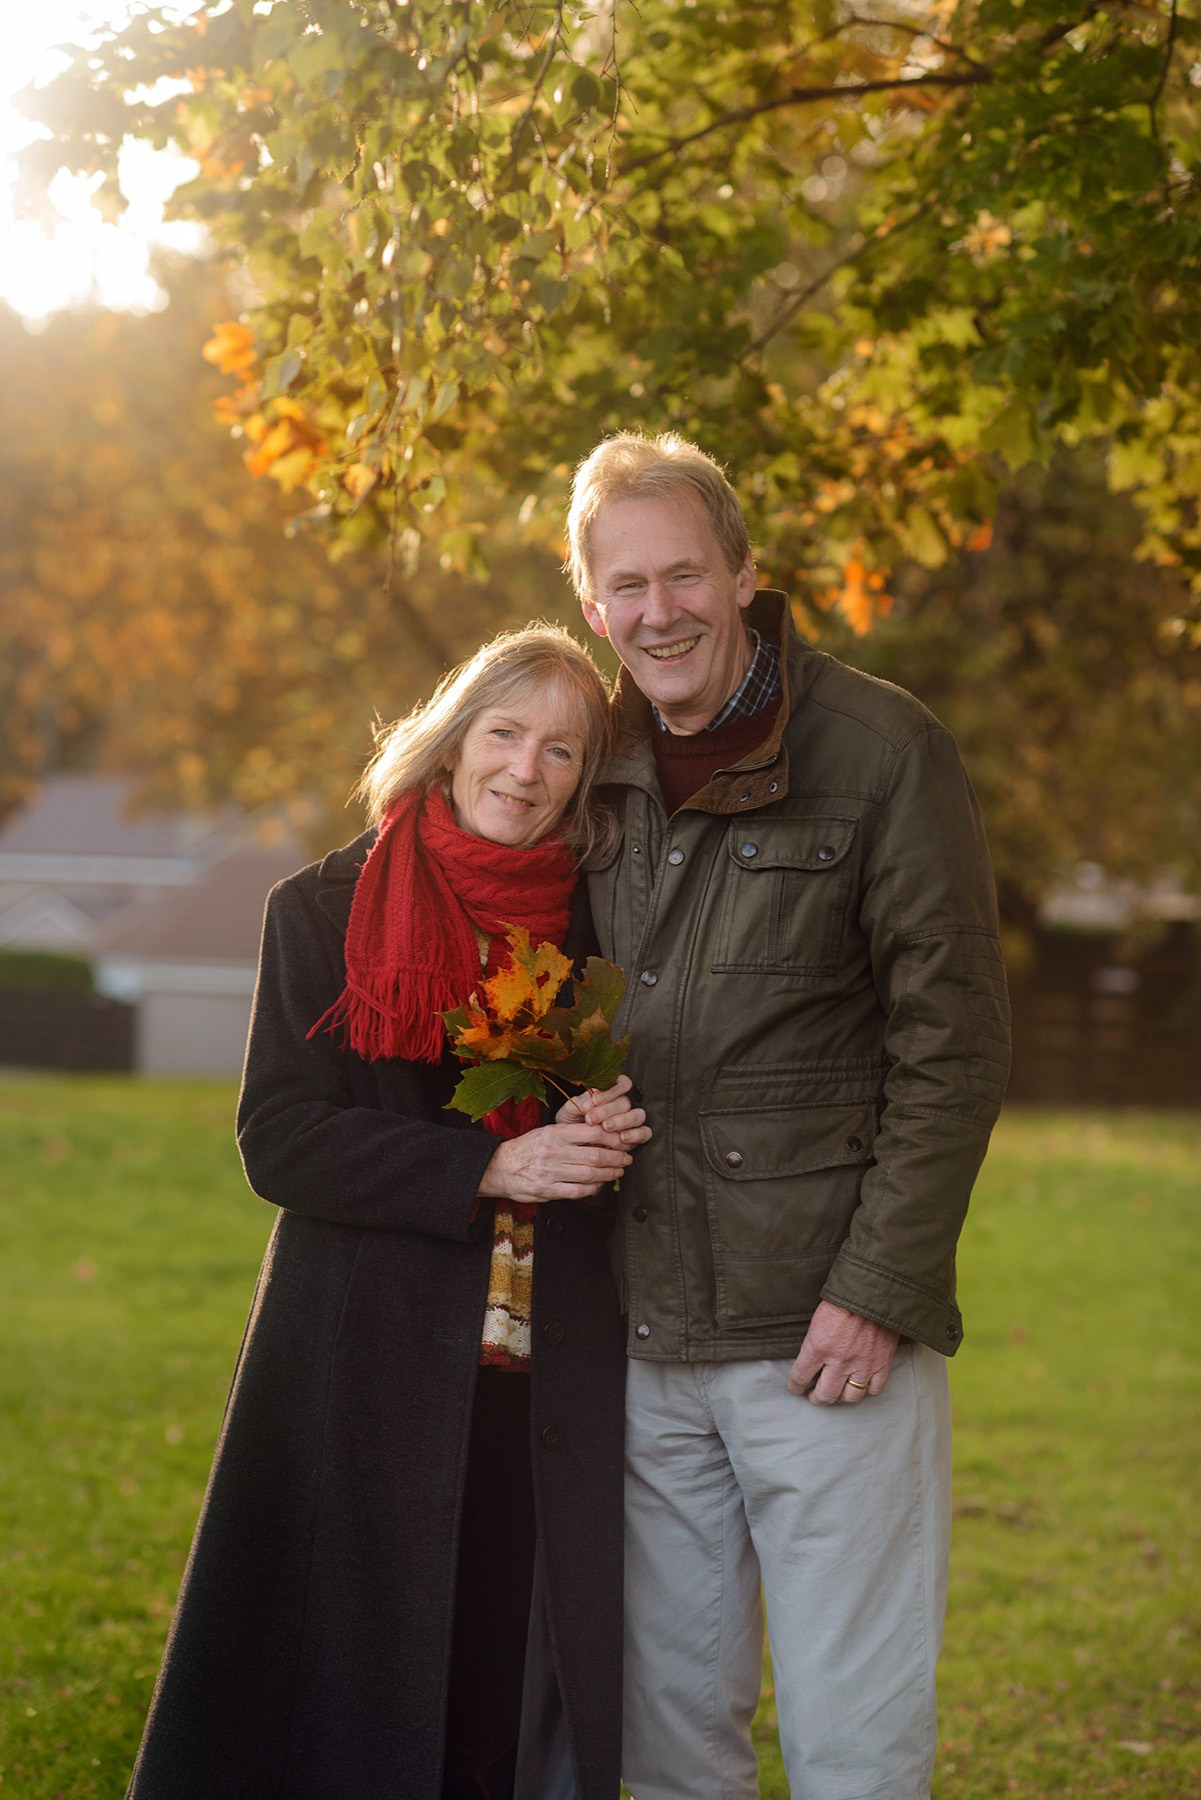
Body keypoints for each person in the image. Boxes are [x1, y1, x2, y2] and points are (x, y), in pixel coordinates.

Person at [125, 624, 650, 1800]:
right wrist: (487, 1169)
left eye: (562, 751)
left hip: (545, 1369)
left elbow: (617, 1108)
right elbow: (280, 1137)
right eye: (504, 734)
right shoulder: (320, 908)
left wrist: (606, 1124)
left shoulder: (600, 925)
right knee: (338, 1691)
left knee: (494, 1691)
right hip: (366, 1360)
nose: (525, 770)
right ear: (453, 739)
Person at [567, 433, 1011, 1800]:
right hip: (642, 1342)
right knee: (668, 1746)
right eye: (627, 585)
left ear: (746, 574)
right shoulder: (590, 762)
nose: (659, 612)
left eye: (685, 575)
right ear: (591, 604)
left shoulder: (880, 749)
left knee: (851, 1745)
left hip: (826, 1342)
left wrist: (876, 1291)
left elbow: (955, 1042)